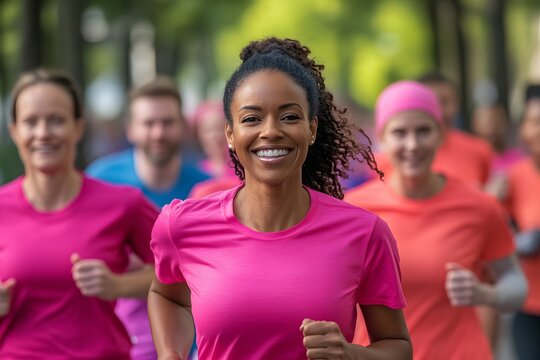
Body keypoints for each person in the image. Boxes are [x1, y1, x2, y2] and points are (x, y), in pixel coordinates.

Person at [148, 37, 412, 360]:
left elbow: (398, 347)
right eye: (251, 118)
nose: (271, 131)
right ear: (230, 134)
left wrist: (351, 354)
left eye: (289, 117)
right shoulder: (180, 225)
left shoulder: (365, 233)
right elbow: (167, 295)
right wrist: (169, 353)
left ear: (311, 129)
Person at [345, 80, 527, 360]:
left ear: (442, 134)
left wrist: (486, 295)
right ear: (382, 138)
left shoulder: (478, 205)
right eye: (399, 133)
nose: (412, 144)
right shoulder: (355, 209)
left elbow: (515, 282)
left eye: (423, 131)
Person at [0, 69, 158, 359]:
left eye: (56, 120)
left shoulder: (123, 203)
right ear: (14, 131)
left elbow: (181, 273)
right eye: (30, 122)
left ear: (78, 127)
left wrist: (118, 285)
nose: (43, 132)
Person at [87, 77, 209, 360]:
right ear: (130, 129)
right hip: (118, 343)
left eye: (167, 122)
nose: (158, 133)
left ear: (182, 126)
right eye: (148, 123)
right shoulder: (101, 181)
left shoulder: (205, 191)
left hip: (189, 347)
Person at [504, 84, 540, 360]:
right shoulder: (513, 178)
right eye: (535, 122)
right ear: (523, 131)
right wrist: (519, 241)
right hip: (529, 307)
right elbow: (495, 235)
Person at [188, 101, 241, 199]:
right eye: (208, 130)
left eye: (219, 128)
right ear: (198, 135)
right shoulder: (196, 173)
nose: (215, 136)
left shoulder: (243, 167)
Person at [472, 103, 525, 200]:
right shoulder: (471, 160)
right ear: (475, 125)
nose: (492, 128)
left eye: (497, 121)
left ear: (505, 123)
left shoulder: (519, 158)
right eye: (487, 123)